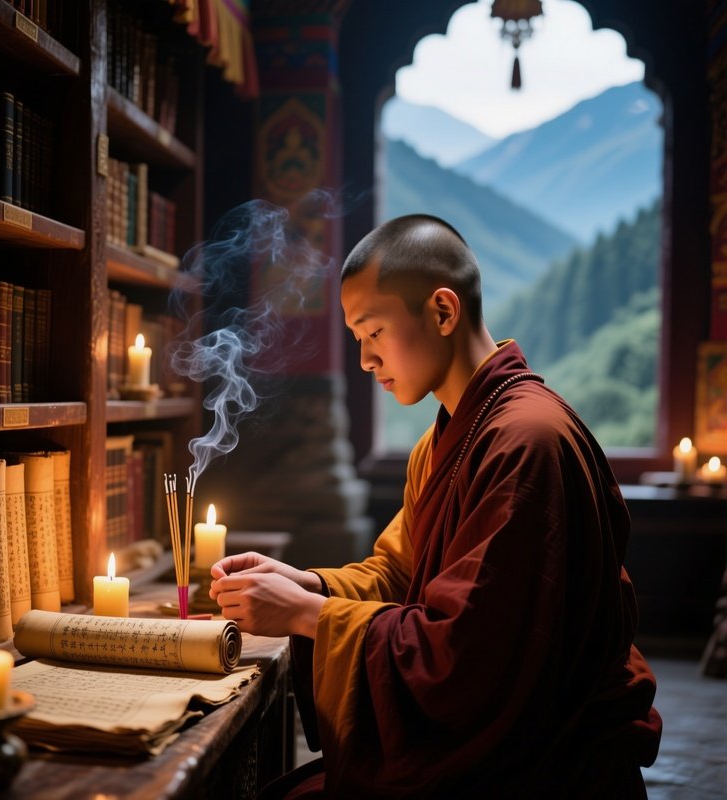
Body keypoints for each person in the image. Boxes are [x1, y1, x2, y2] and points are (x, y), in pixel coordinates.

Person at [209, 214, 663, 798]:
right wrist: (310, 585)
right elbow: (402, 573)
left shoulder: (527, 442)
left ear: (443, 312)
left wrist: (305, 615)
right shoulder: (448, 437)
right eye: (357, 340)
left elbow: (469, 660)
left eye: (373, 332)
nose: (366, 360)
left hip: (538, 772)